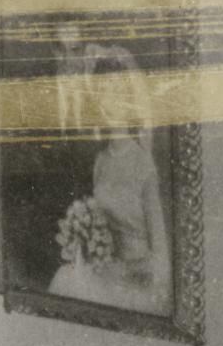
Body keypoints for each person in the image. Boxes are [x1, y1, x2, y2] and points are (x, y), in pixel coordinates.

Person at [47, 44, 172, 316]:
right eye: (103, 92)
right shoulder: (101, 162)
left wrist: (123, 270)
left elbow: (161, 258)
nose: (109, 101)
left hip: (137, 282)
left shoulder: (143, 164)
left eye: (116, 92)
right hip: (106, 273)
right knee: (65, 277)